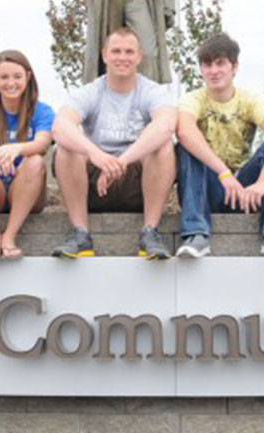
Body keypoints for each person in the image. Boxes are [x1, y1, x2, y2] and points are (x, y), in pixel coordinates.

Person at [176, 33, 264, 259]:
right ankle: (196, 234)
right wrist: (223, 173)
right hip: (210, 188)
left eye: (220, 63)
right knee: (186, 146)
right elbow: (185, 131)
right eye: (207, 65)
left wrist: (262, 183)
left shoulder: (250, 99)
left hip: (244, 191)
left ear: (234, 67)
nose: (214, 71)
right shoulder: (193, 99)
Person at [51, 27, 176, 259]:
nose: (122, 57)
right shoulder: (90, 92)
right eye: (116, 51)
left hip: (136, 185)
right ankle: (80, 234)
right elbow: (60, 127)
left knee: (163, 145)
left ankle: (149, 232)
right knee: (65, 149)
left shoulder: (153, 91)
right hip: (93, 186)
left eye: (129, 52)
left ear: (139, 56)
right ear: (104, 55)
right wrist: (97, 156)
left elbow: (167, 124)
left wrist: (121, 161)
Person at [0, 50, 54, 262]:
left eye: (17, 76)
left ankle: (10, 237)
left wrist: (16, 149)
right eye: (4, 77)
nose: (10, 83)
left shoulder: (42, 111)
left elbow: (42, 143)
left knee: (35, 161)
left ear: (28, 77)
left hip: (26, 191)